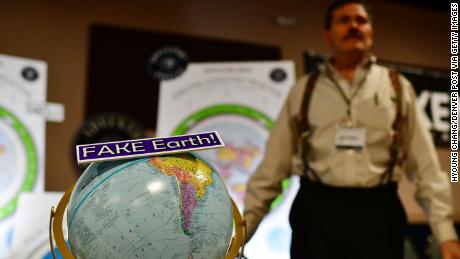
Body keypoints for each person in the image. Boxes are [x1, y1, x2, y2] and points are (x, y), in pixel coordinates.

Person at [243, 1, 460, 258]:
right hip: (316, 215)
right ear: (327, 36)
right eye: (344, 20)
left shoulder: (397, 87)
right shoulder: (303, 90)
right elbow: (271, 168)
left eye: (361, 21)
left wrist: (445, 234)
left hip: (379, 215)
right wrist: (241, 233)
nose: (353, 26)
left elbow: (426, 168)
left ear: (371, 33)